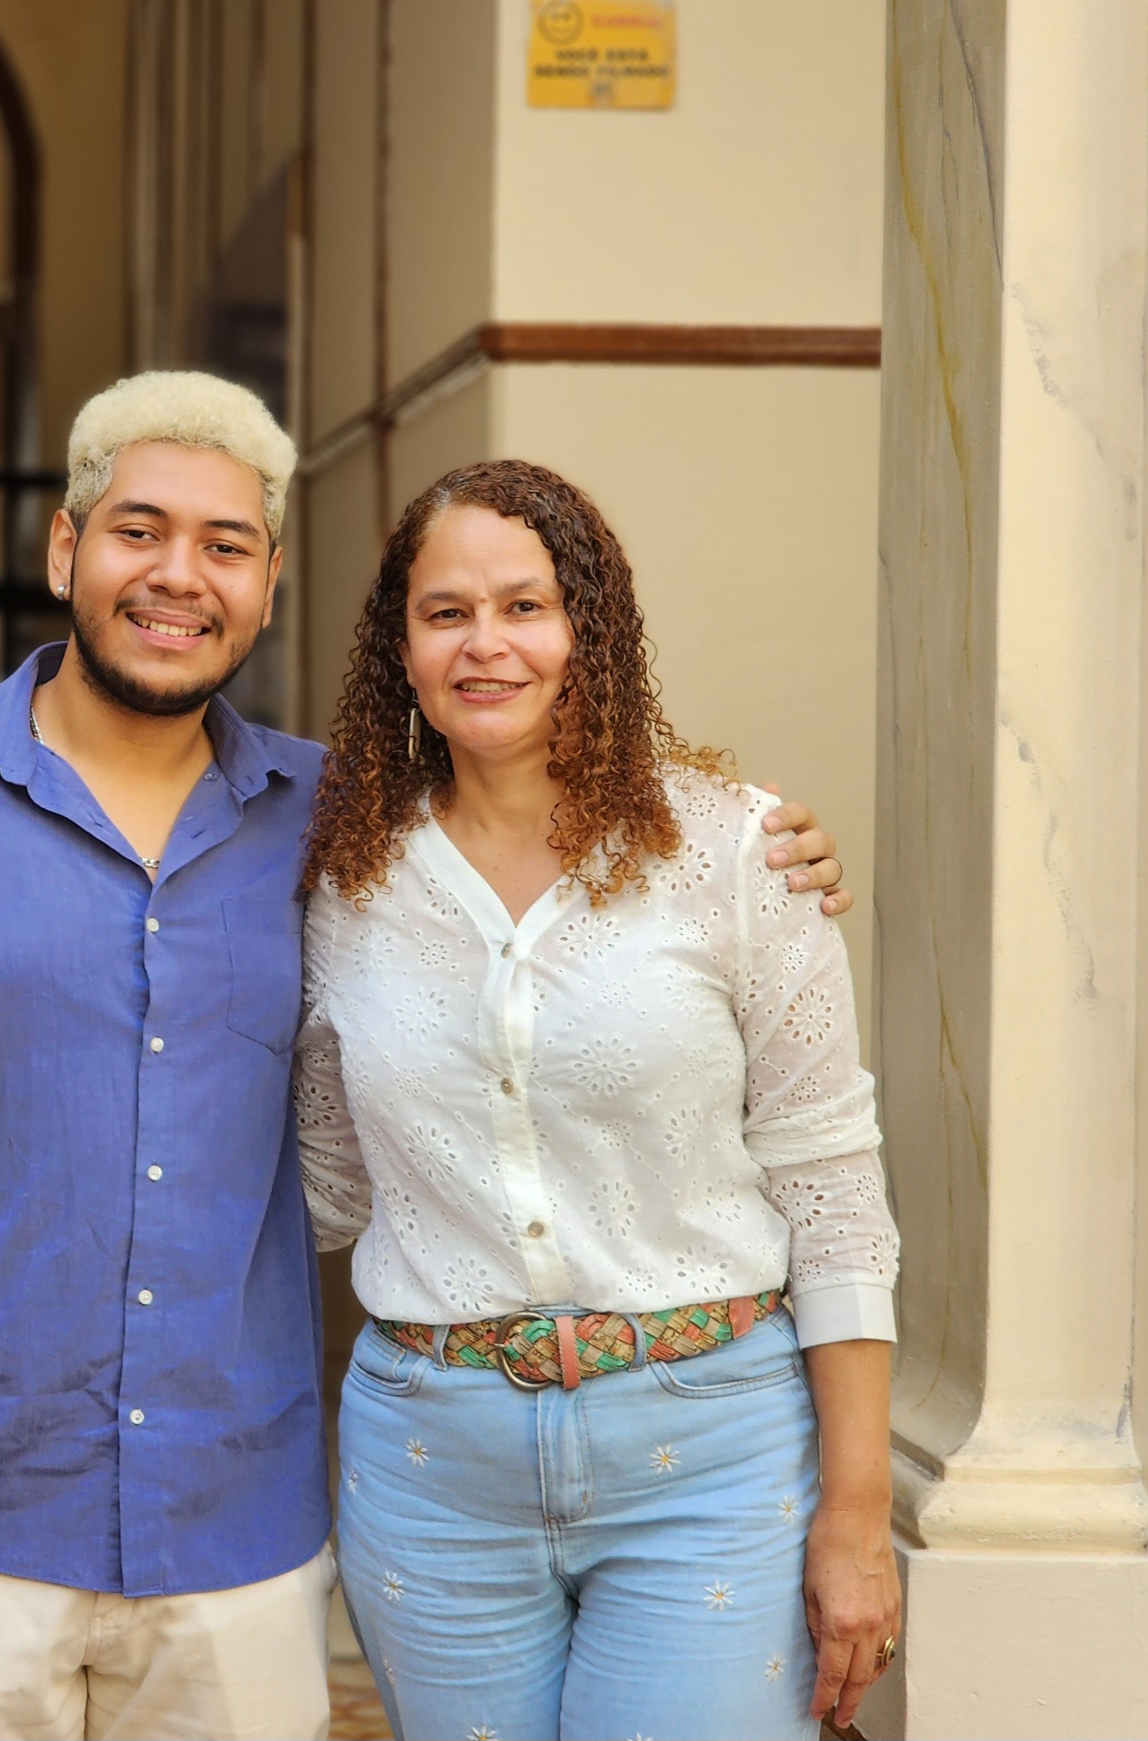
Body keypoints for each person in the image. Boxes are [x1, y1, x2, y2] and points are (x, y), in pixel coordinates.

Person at [0, 375, 849, 1741]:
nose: (177, 576)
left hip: (235, 1523)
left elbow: (532, 883)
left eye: (225, 544)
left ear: (266, 588)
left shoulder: (341, 829)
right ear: (65, 550)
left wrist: (760, 850)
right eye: (138, 531)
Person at [294, 460, 898, 1741]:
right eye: (445, 612)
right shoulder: (343, 884)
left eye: (525, 605)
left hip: (711, 1452)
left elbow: (832, 1194)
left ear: (591, 631)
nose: (485, 643)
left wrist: (855, 1517)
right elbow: (324, 1187)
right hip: (429, 1462)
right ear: (399, 649)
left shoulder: (736, 855)